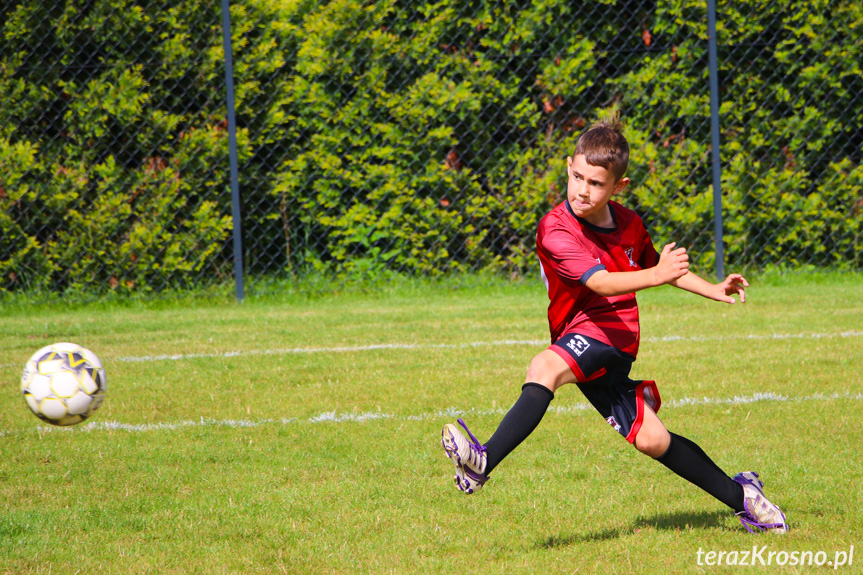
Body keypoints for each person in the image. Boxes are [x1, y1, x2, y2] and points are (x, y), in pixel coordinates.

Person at [440, 116, 788, 534]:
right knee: (653, 440)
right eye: (577, 177)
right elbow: (602, 281)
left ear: (617, 187)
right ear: (568, 166)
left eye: (596, 183)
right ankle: (744, 496)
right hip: (579, 333)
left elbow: (657, 266)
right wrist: (660, 274)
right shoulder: (555, 229)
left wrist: (711, 288)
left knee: (544, 369)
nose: (583, 190)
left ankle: (483, 462)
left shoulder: (629, 223)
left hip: (611, 332)